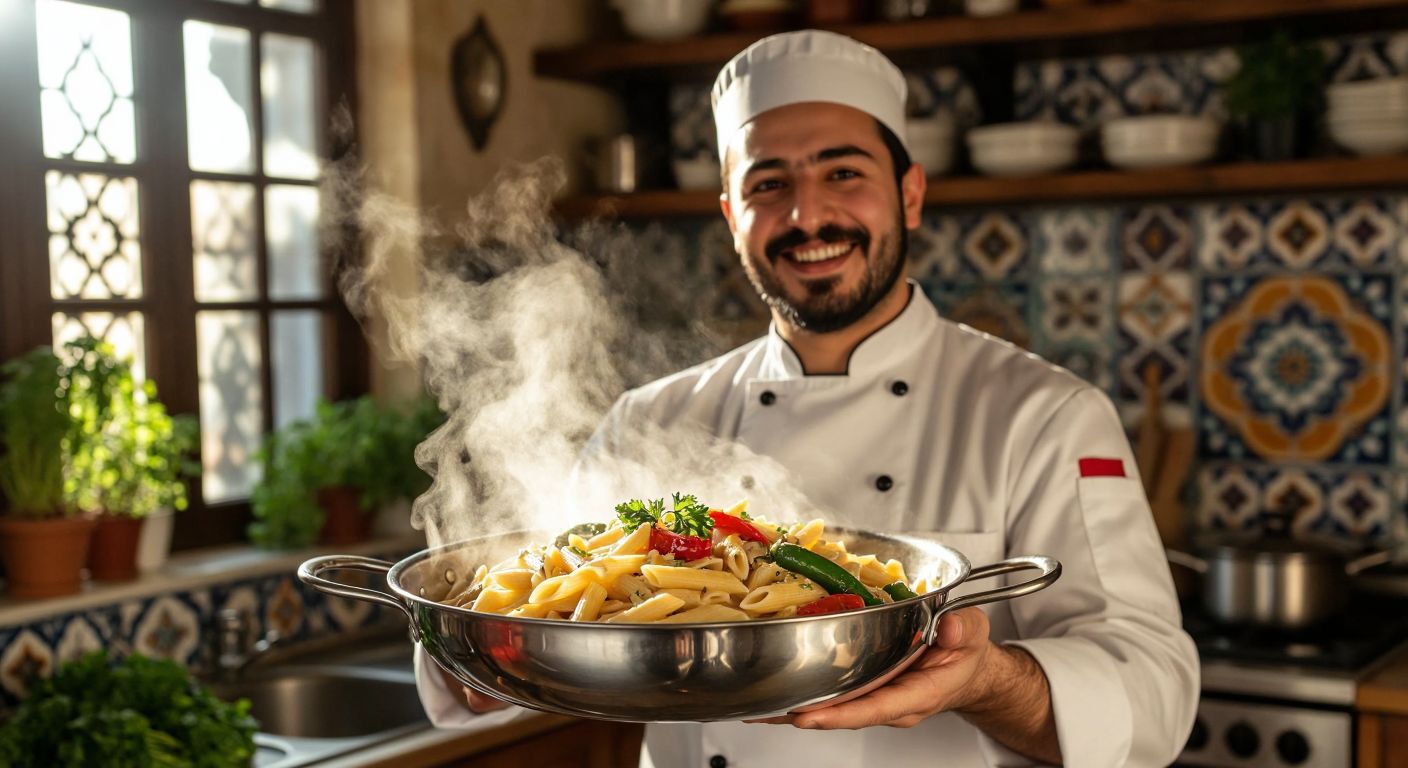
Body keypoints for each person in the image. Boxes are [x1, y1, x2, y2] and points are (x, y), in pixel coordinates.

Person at [415, 29, 1199, 767]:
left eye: (843, 172)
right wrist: (457, 641)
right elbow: (532, 639)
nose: (807, 214)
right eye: (768, 184)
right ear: (731, 216)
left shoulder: (1045, 415)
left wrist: (986, 679)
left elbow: (1154, 697)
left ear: (911, 194)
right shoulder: (650, 419)